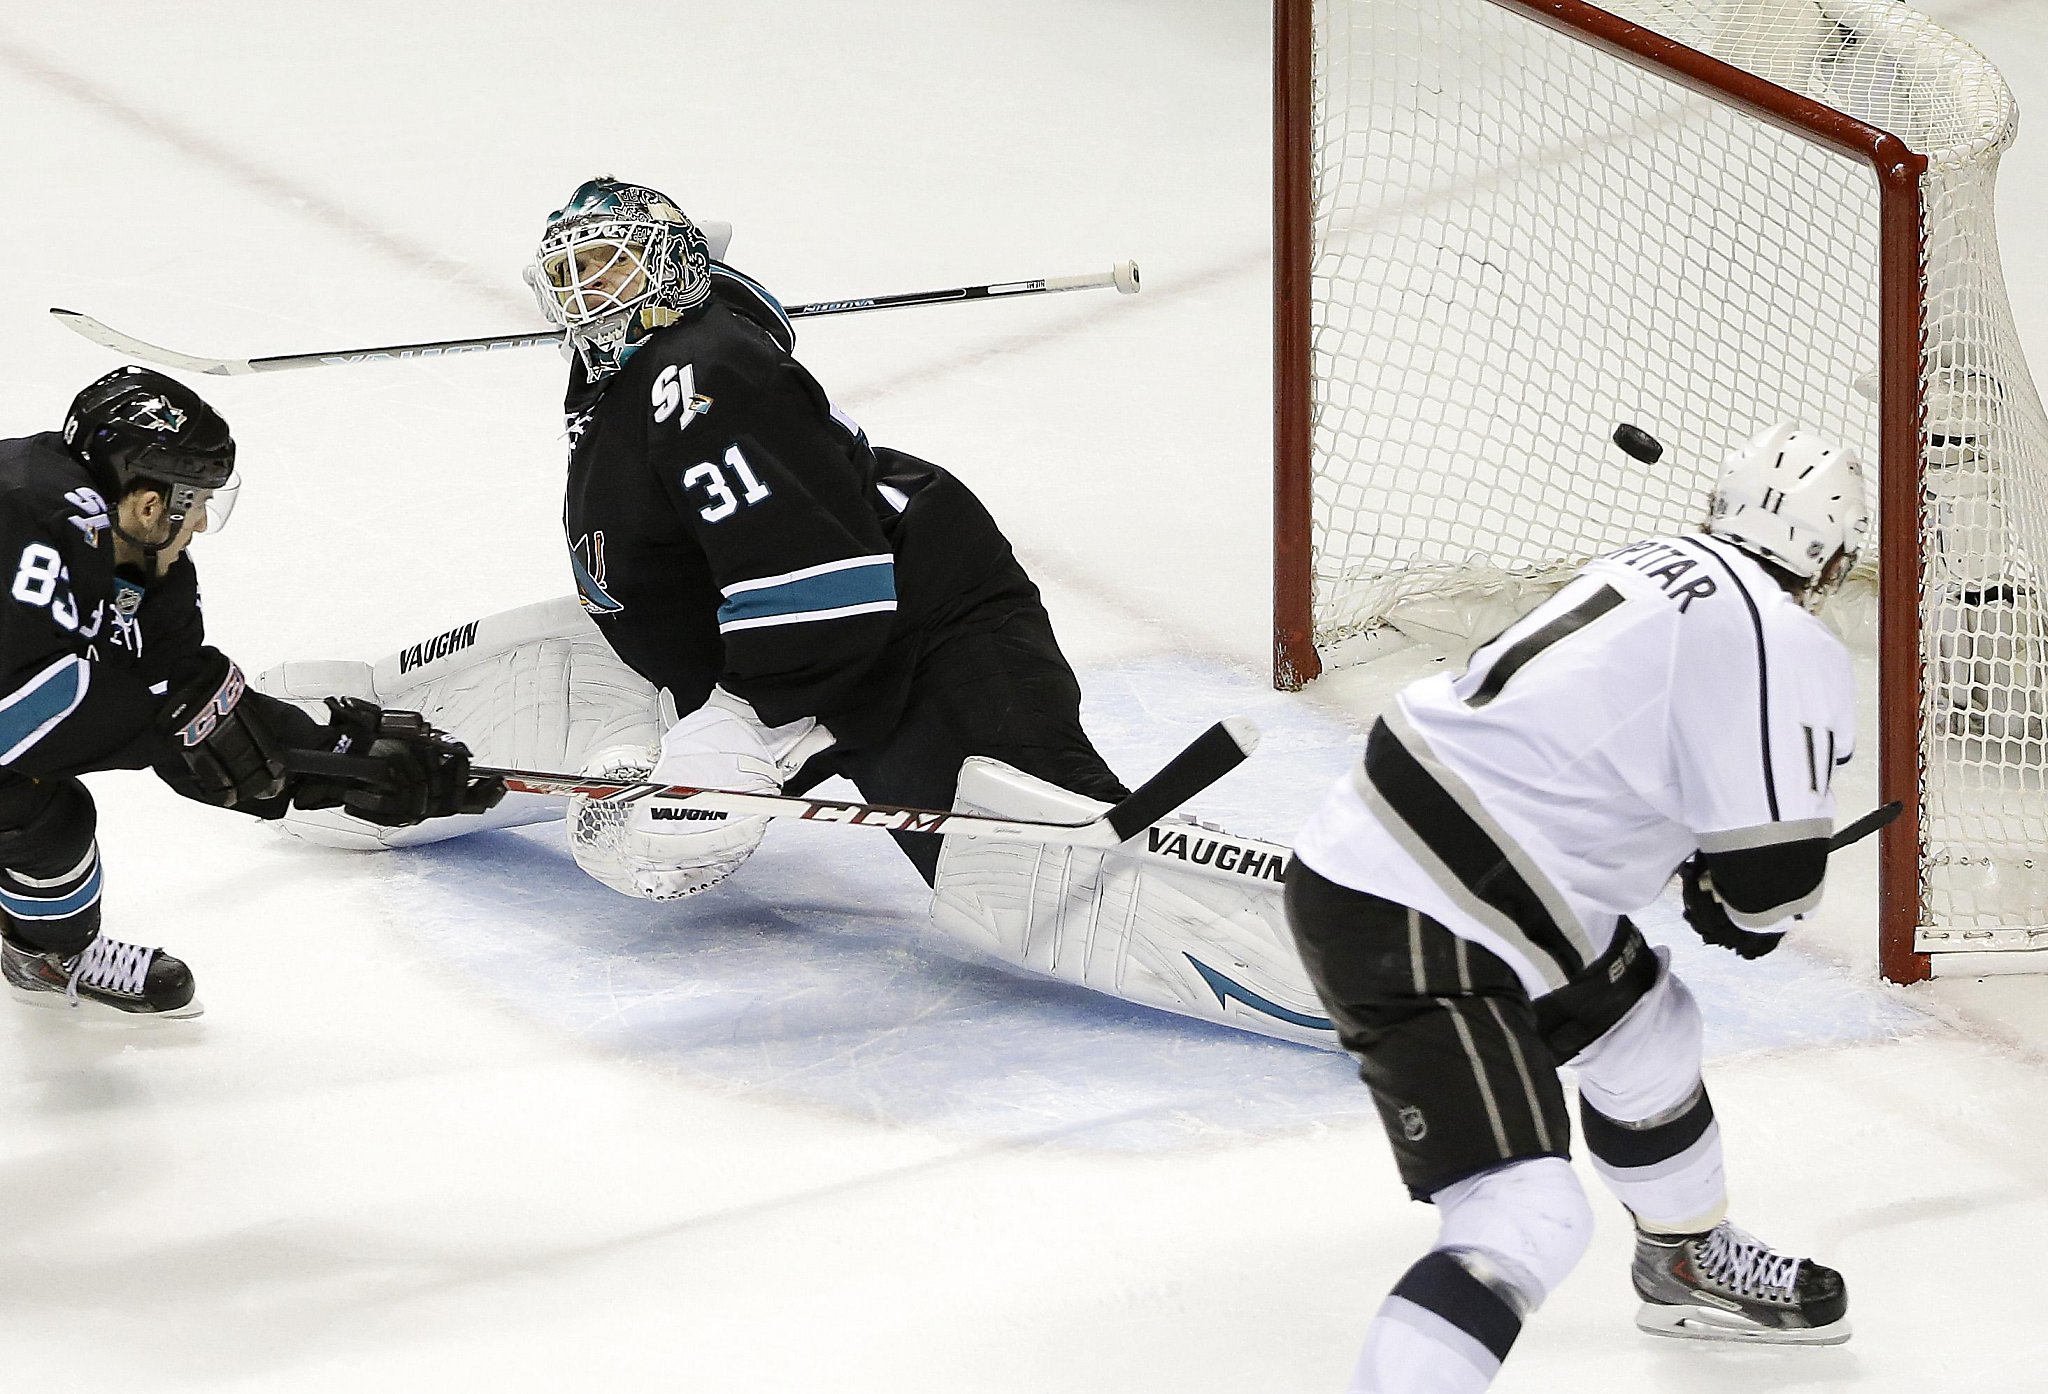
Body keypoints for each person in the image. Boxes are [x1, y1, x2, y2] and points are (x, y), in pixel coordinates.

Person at [254, 175, 1333, 1047]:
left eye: (612, 263)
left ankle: (1373, 943)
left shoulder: (703, 377)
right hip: (759, 629)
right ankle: (347, 733)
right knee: (635, 766)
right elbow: (736, 342)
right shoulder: (657, 349)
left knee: (1030, 852)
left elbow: (827, 584)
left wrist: (744, 726)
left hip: (912, 634)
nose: (587, 294)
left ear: (671, 271)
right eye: (570, 272)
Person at [1283, 422, 1866, 1391]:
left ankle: (1682, 1258)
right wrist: (1736, 898)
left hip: (1445, 862)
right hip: (1433, 906)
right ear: (1833, 553)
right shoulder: (1778, 631)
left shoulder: (1648, 562)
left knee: (1647, 1030)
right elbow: (1770, 888)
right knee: (1527, 1211)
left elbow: (1593, 740)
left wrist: (1701, 861)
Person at [0, 366, 504, 1019]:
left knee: (43, 813)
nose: (203, 521)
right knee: (32, 804)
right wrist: (170, 722)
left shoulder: (149, 565)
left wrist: (344, 762)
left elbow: (198, 714)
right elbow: (17, 716)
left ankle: (44, 953)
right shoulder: (25, 509)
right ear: (150, 499)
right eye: (196, 497)